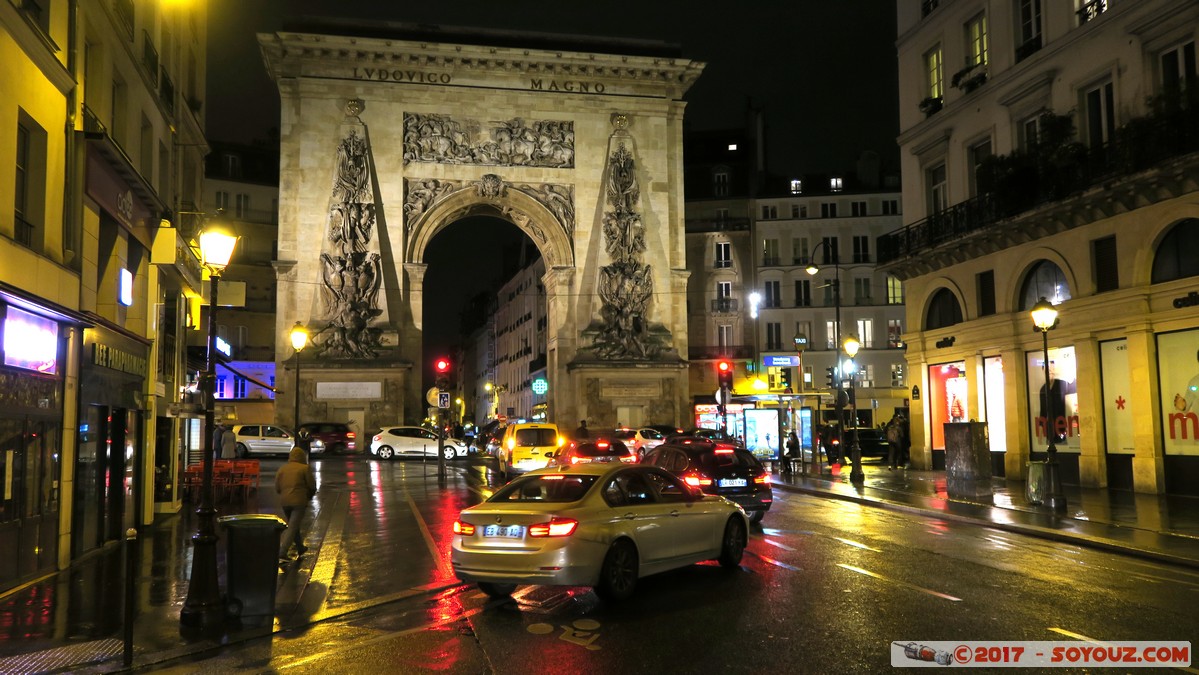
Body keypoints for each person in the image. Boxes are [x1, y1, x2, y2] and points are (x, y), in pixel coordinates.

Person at [276, 445, 317, 562]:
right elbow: (311, 485)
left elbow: (277, 487)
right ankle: (282, 552)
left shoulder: (282, 469)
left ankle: (300, 547)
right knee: (293, 526)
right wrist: (309, 495)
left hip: (285, 502)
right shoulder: (305, 468)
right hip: (299, 501)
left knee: (294, 525)